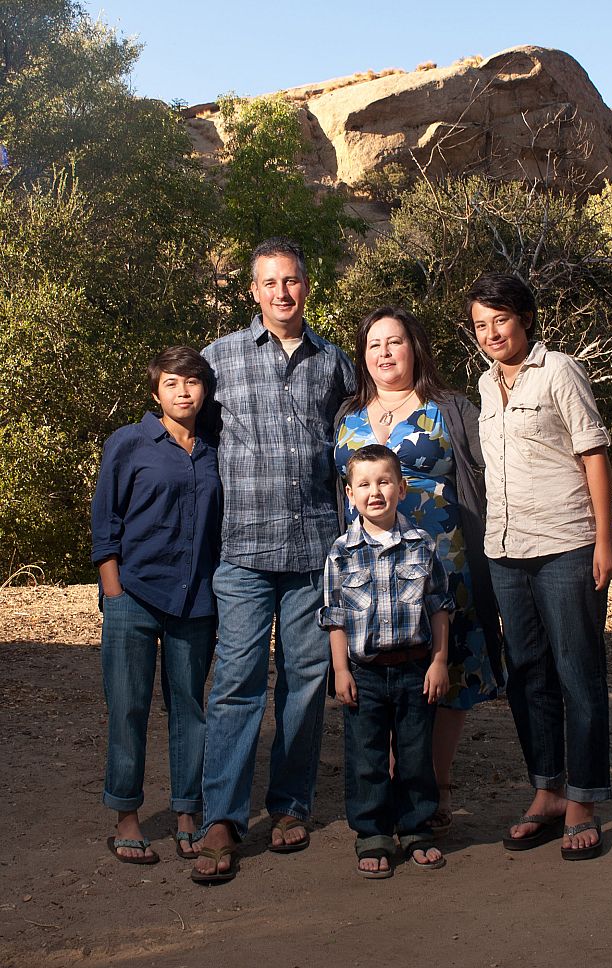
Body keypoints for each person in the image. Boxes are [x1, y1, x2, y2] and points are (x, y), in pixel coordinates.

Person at [192, 237, 355, 884]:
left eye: (291, 281)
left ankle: (290, 805)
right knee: (234, 685)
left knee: (305, 684)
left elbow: (353, 440)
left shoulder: (334, 361)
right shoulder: (219, 358)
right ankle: (221, 821)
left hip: (314, 549)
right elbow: (193, 435)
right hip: (242, 552)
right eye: (269, 283)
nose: (281, 293)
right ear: (253, 292)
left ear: (306, 287)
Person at [468, 272, 612, 861]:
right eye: (480, 325)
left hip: (566, 544)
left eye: (500, 320)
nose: (491, 333)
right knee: (527, 671)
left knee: (577, 671)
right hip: (505, 552)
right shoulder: (484, 385)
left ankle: (584, 799)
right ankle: (547, 790)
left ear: (524, 319)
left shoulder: (559, 371)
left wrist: (604, 542)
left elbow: (593, 452)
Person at [333, 307, 503, 834]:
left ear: (415, 347)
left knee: (447, 668)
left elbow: (495, 466)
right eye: (374, 344)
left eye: (396, 342)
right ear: (363, 355)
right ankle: (390, 785)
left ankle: (438, 780)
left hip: (442, 557)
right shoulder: (347, 413)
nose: (385, 353)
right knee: (382, 670)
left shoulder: (449, 407)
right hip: (368, 563)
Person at [91, 346, 221, 864]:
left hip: (196, 599)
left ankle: (187, 811)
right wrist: (114, 592)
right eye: (172, 383)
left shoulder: (216, 447)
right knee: (128, 707)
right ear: (155, 392)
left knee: (189, 708)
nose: (183, 392)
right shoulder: (128, 443)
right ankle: (126, 814)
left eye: (191, 382)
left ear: (204, 390)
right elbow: (106, 522)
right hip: (135, 597)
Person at [319, 444, 453, 877]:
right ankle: (372, 832)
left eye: (383, 482)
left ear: (401, 486)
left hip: (416, 669)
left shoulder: (422, 545)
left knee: (415, 754)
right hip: (364, 673)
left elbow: (439, 606)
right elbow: (334, 617)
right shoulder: (340, 552)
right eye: (364, 484)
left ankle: (415, 826)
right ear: (349, 493)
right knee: (366, 757)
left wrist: (439, 661)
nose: (374, 492)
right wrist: (340, 670)